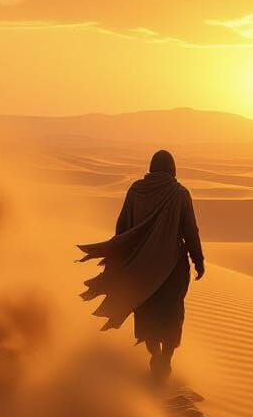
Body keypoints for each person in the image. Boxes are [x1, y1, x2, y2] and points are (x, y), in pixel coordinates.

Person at [77, 149, 204, 382]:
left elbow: (123, 227)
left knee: (146, 312)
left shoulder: (135, 191)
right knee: (171, 313)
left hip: (140, 267)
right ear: (172, 169)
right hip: (171, 269)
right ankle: (164, 359)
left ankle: (155, 354)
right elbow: (190, 231)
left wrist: (120, 258)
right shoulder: (180, 194)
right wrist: (198, 260)